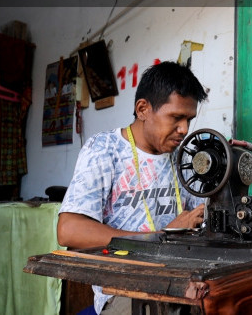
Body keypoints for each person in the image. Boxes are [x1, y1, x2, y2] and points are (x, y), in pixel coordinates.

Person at [57, 61, 208, 314]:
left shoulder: (184, 157)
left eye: (189, 120)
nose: (184, 129)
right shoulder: (104, 150)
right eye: (176, 117)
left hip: (182, 278)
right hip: (124, 288)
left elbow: (197, 218)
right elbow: (69, 230)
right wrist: (160, 236)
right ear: (143, 109)